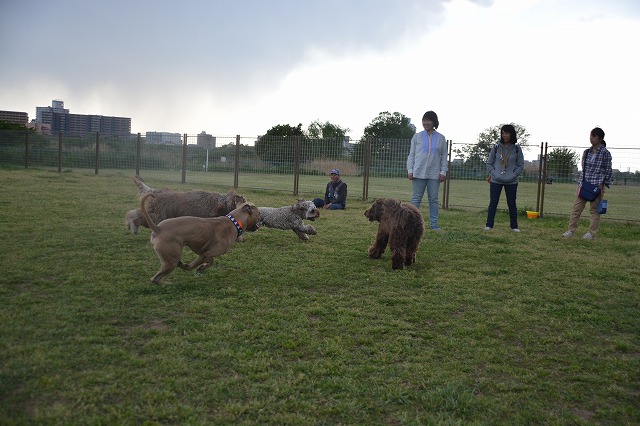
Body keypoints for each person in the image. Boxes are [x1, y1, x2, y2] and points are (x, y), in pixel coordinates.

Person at [562, 127, 612, 240]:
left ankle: (591, 233)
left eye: (594, 136)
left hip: (597, 185)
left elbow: (608, 170)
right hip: (584, 184)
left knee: (594, 211)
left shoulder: (605, 153)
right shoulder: (586, 152)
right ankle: (570, 230)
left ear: (600, 138)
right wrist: (580, 183)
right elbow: (584, 169)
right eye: (591, 135)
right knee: (576, 209)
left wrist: (604, 186)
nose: (591, 138)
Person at [406, 110, 448, 230]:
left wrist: (443, 171)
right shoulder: (417, 136)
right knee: (416, 199)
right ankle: (411, 224)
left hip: (434, 174)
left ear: (434, 122)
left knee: (433, 200)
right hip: (418, 173)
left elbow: (444, 157)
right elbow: (411, 155)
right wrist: (410, 169)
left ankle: (434, 225)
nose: (426, 122)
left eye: (429, 120)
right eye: (424, 120)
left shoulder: (441, 138)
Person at [485, 124, 525, 232]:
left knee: (512, 203)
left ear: (511, 134)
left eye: (506, 133)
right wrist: (494, 174)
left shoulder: (517, 148)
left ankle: (514, 226)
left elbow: (521, 164)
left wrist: (514, 175)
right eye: (502, 133)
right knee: (493, 202)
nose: (504, 135)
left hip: (511, 181)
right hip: (496, 180)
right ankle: (489, 225)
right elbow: (489, 163)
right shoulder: (496, 147)